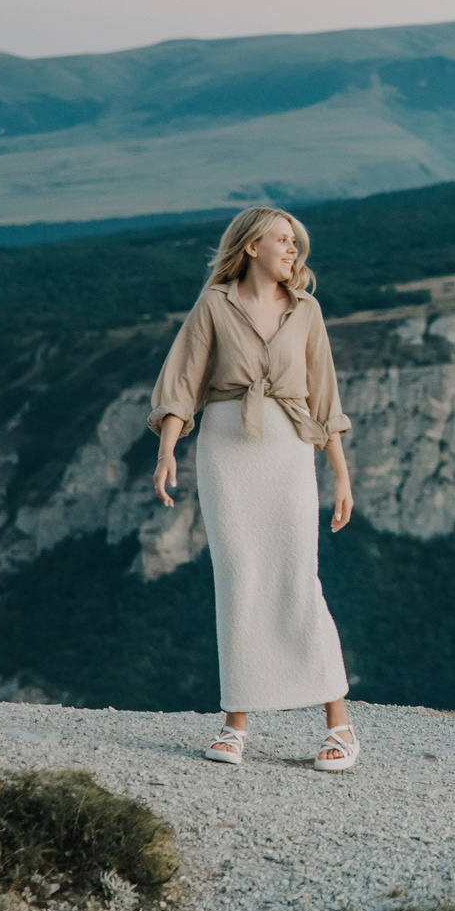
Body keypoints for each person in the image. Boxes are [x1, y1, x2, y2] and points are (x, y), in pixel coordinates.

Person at [148, 206, 361, 772]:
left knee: (297, 574)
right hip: (226, 447)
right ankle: (235, 723)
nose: (293, 250)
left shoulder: (307, 311)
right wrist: (168, 450)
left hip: (289, 448)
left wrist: (340, 475)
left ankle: (338, 725)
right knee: (239, 577)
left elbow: (324, 398)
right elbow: (182, 381)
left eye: (295, 242)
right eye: (282, 240)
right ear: (250, 247)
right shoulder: (214, 306)